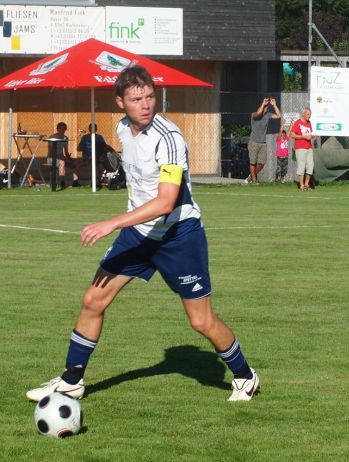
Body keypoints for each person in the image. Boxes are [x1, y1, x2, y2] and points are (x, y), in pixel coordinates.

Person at [26, 65, 259, 402]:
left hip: (179, 235)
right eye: (137, 99)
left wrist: (112, 223)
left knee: (200, 320)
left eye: (150, 96)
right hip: (138, 234)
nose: (146, 104)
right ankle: (71, 380)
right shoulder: (122, 129)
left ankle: (245, 375)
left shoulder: (169, 138)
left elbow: (166, 202)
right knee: (93, 300)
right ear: (120, 102)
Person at [247, 97, 281, 183]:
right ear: (260, 106)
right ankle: (254, 180)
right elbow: (259, 113)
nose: (266, 108)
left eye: (267, 106)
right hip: (254, 142)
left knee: (262, 163)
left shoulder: (268, 115)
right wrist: (263, 104)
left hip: (263, 143)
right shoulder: (254, 115)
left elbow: (278, 115)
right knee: (253, 162)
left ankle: (251, 176)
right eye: (265, 106)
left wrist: (274, 105)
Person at [47, 122, 79, 189]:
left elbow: (66, 151)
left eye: (64, 129)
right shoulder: (52, 138)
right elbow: (51, 151)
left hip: (62, 157)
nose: (63, 130)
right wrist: (62, 158)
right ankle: (62, 182)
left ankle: (75, 182)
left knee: (75, 162)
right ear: (57, 129)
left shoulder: (65, 138)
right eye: (61, 128)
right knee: (62, 162)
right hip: (52, 158)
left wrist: (69, 158)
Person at [290, 108, 316, 191]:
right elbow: (292, 135)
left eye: (310, 114)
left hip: (309, 147)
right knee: (301, 166)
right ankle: (301, 185)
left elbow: (310, 135)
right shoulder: (298, 122)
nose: (309, 116)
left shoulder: (309, 123)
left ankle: (306, 184)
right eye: (308, 114)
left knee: (310, 166)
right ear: (303, 114)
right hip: (300, 147)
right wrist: (303, 137)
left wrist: (313, 136)